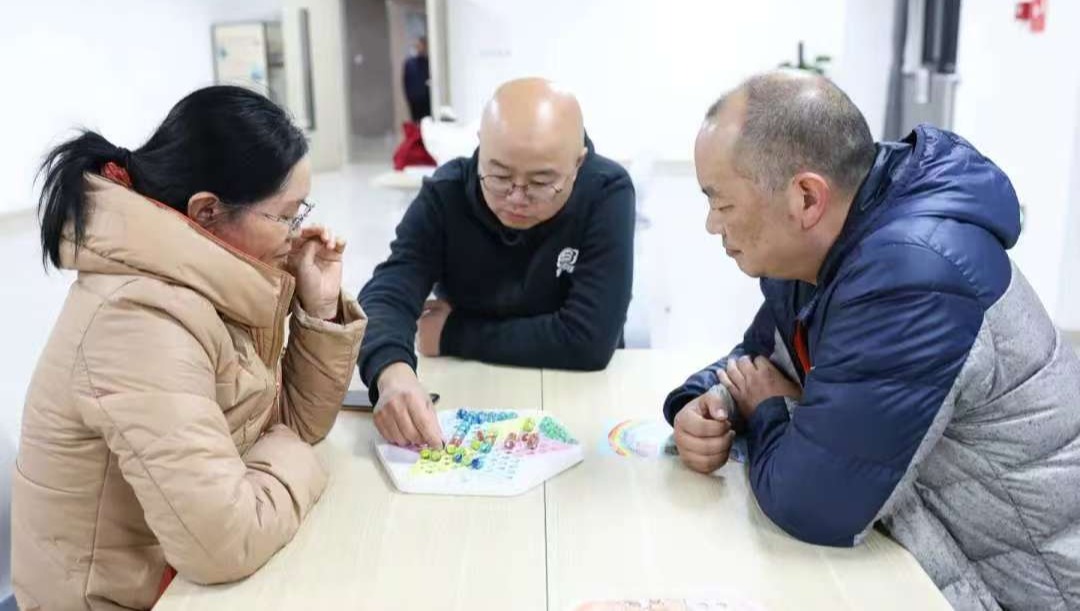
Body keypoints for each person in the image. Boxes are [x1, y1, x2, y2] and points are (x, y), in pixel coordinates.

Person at [664, 70, 1080, 610]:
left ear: (806, 197)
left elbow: (816, 502)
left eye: (721, 205)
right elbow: (763, 359)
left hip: (1024, 589)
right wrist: (707, 403)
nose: (711, 226)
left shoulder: (914, 274)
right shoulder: (827, 247)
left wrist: (766, 409)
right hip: (934, 550)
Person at [13, 86, 368, 611]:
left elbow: (293, 423)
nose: (295, 236)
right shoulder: (138, 318)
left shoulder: (211, 280)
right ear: (206, 211)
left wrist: (316, 310)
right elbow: (223, 543)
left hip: (173, 578)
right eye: (285, 216)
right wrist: (291, 450)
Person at [359, 78, 635, 448]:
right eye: (500, 176)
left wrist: (453, 333)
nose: (516, 198)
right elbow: (388, 291)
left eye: (541, 182)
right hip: (469, 392)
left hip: (581, 396)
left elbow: (588, 340)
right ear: (481, 146)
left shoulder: (606, 191)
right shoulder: (446, 194)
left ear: (578, 163)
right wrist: (391, 372)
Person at [403, 35, 431, 122]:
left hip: (426, 99)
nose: (420, 48)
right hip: (414, 99)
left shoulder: (428, 62)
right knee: (416, 121)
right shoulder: (410, 63)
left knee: (426, 121)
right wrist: (409, 96)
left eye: (422, 46)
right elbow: (406, 81)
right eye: (418, 46)